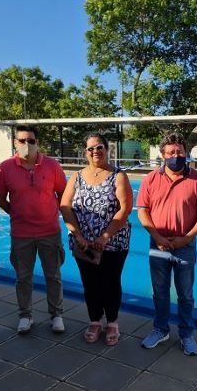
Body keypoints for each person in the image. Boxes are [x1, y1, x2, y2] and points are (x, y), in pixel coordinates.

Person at [137, 132, 197, 356]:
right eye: (170, 152)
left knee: (185, 295)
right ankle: (161, 329)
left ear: (186, 153)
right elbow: (142, 211)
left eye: (179, 151)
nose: (175, 156)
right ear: (163, 155)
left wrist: (187, 238)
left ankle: (186, 334)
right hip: (158, 245)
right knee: (160, 293)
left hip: (185, 246)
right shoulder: (150, 179)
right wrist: (158, 237)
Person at [0, 125, 67, 334]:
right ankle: (25, 316)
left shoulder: (52, 165)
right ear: (15, 143)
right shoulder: (6, 167)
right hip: (21, 233)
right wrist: (16, 213)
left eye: (31, 141)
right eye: (22, 141)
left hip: (49, 231)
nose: (27, 144)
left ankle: (56, 315)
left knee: (53, 276)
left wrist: (53, 212)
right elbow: (0, 198)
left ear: (38, 143)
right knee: (23, 278)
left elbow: (63, 193)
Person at [60, 133, 132, 346]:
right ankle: (94, 321)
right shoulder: (76, 177)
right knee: (90, 284)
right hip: (83, 243)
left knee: (110, 283)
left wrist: (105, 236)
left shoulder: (118, 176)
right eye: (90, 148)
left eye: (99, 147)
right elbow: (65, 206)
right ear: (85, 152)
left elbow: (125, 209)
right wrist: (78, 235)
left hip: (113, 242)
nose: (95, 151)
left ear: (107, 149)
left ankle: (112, 323)